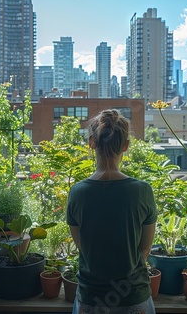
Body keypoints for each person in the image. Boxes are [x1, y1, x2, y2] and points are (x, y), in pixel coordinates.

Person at [66, 109, 157, 314]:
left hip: (91, 300)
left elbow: (84, 248)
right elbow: (144, 251)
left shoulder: (77, 193)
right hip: (135, 298)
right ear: (125, 145)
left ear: (92, 142)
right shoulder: (142, 191)